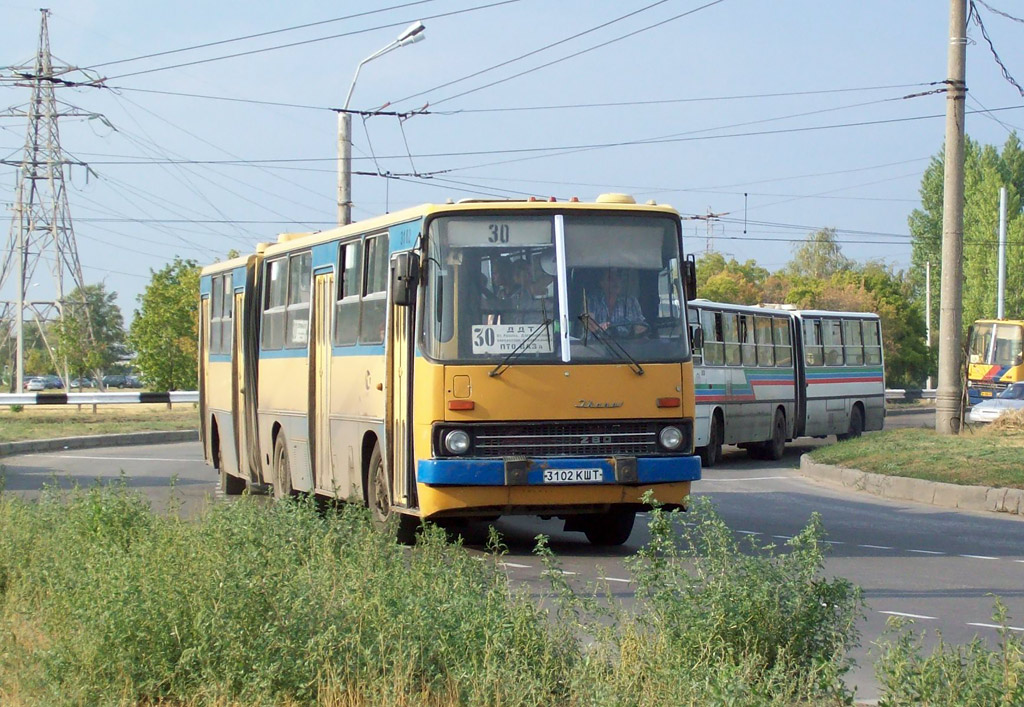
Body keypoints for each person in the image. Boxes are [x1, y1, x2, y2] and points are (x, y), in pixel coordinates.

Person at [586, 267, 647, 336]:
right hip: (597, 345)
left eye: (618, 278)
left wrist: (639, 329)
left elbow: (640, 328)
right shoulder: (593, 300)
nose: (616, 281)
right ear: (602, 283)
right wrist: (600, 327)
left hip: (626, 345)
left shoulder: (631, 302)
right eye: (610, 279)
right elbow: (589, 324)